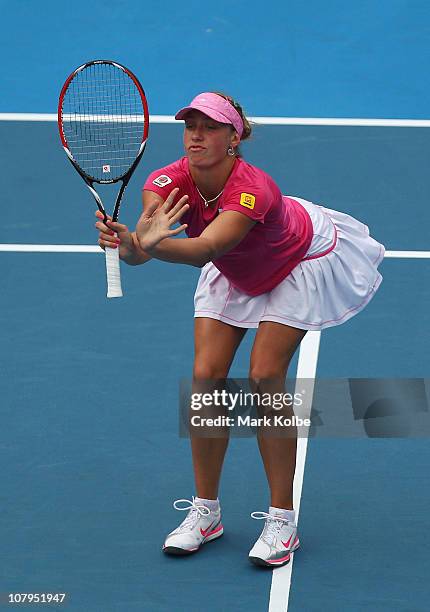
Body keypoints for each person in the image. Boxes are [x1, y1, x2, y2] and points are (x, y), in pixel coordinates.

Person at [95, 92, 385, 567]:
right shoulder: (165, 182)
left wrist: (147, 244)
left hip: (294, 262)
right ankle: (206, 512)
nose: (196, 136)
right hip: (236, 270)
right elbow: (142, 249)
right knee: (207, 379)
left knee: (264, 376)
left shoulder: (254, 189)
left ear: (234, 137)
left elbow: (206, 247)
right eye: (190, 126)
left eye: (209, 128)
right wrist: (128, 242)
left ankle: (282, 520)